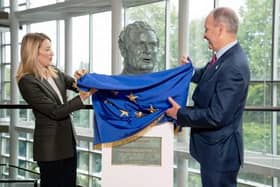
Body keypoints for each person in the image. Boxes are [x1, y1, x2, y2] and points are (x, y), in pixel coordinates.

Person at [166, 7, 250, 187]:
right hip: (214, 151)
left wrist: (179, 114)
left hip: (221, 154)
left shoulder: (233, 66)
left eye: (206, 29)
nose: (204, 35)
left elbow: (216, 116)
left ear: (220, 29)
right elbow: (205, 75)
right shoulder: (224, 58)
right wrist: (188, 70)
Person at [16, 32, 94, 187]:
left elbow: (75, 85)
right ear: (33, 52)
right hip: (50, 149)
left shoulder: (54, 71)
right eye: (47, 49)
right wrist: (83, 97)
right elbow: (55, 112)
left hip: (68, 144)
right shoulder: (27, 81)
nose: (51, 53)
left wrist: (82, 78)